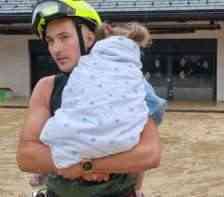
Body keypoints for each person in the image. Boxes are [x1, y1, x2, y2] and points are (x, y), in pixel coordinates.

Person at [16, 0, 162, 197]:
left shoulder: (130, 83)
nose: (56, 48)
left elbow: (149, 154)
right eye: (50, 41)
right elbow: (27, 156)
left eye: (64, 37)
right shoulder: (47, 87)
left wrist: (86, 165)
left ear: (90, 38)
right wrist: (89, 166)